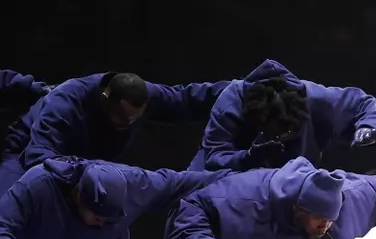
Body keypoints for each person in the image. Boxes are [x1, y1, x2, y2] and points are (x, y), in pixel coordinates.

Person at [0, 71, 222, 190]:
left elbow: (186, 100)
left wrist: (241, 88)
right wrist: (83, 177)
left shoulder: (141, 95)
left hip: (82, 164)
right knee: (11, 200)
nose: (128, 124)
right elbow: (38, 156)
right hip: (25, 155)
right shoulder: (66, 101)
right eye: (122, 118)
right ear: (104, 99)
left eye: (134, 120)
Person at [0, 157, 224, 239]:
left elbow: (179, 183)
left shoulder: (133, 184)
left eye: (110, 219)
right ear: (77, 196)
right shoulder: (38, 185)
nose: (103, 224)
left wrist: (246, 178)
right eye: (98, 217)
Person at [190, 59, 376, 171]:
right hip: (231, 178)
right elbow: (214, 156)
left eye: (291, 130)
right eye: (278, 134)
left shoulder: (314, 97)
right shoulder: (230, 106)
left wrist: (369, 127)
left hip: (293, 178)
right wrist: (247, 157)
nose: (284, 137)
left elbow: (361, 102)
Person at [164, 158, 352, 239]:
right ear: (298, 207)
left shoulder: (313, 223)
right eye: (319, 218)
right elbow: (190, 205)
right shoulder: (243, 197)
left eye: (330, 220)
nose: (325, 227)